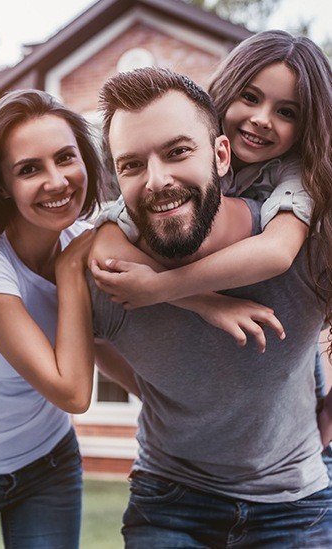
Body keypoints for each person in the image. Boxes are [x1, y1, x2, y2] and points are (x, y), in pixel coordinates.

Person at [89, 67, 332, 547]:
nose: (157, 181)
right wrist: (156, 389)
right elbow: (90, 335)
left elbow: (277, 253)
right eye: (132, 165)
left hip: (295, 502)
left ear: (221, 154)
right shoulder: (112, 269)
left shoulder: (304, 231)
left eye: (179, 151)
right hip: (170, 498)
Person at [0, 89, 137, 549]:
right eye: (29, 169)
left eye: (65, 158)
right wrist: (68, 272)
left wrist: (215, 307)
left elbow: (98, 341)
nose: (57, 181)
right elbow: (73, 392)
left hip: (48, 464)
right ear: (2, 184)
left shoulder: (85, 239)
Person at [90, 30, 332, 355]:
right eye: (250, 97)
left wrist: (160, 287)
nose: (261, 119)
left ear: (306, 127)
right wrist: (205, 304)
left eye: (286, 112)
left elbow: (277, 251)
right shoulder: (184, 152)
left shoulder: (297, 173)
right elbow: (106, 243)